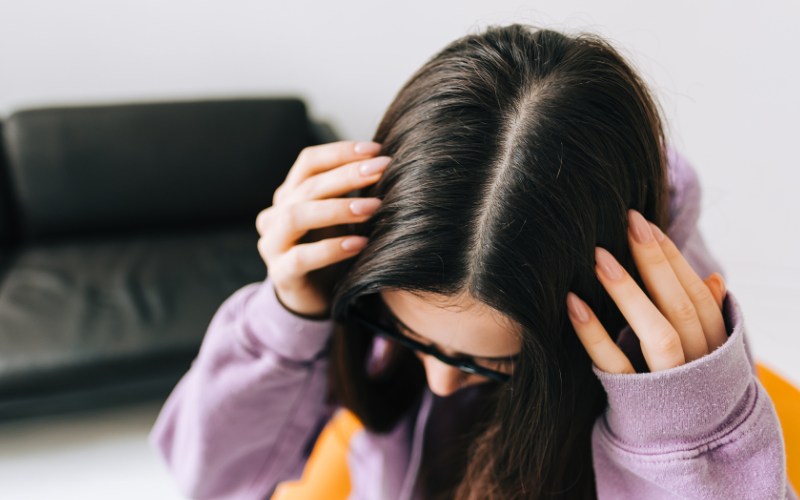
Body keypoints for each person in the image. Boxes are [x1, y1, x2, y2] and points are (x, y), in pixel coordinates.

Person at [150, 25, 796, 500]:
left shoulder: (670, 366)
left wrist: (691, 443)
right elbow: (211, 481)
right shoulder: (382, 279)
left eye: (488, 364)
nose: (435, 381)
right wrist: (284, 317)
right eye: (401, 332)